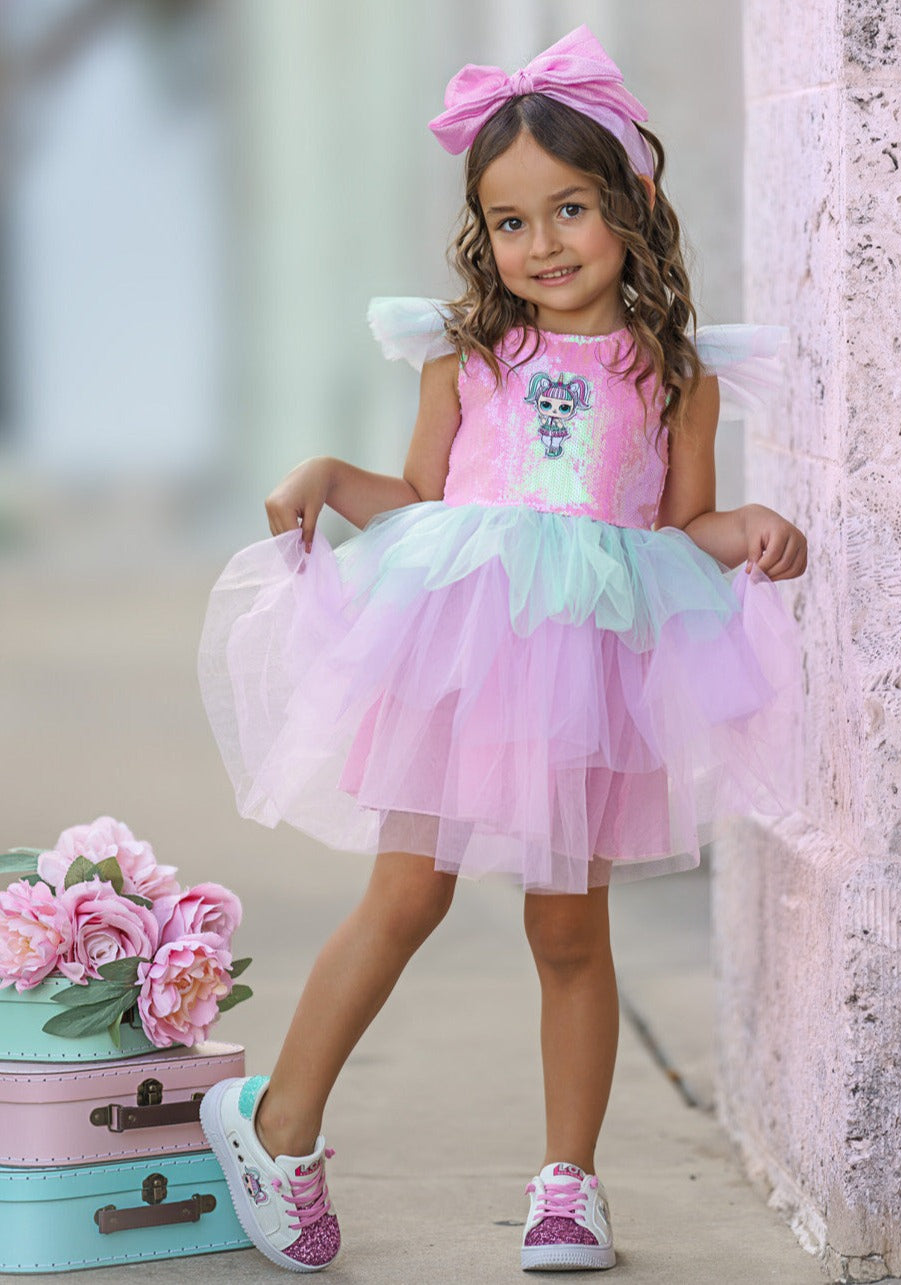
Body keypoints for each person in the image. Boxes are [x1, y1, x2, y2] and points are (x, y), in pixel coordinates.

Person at [197, 25, 807, 1275]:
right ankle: (277, 1125)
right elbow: (421, 496)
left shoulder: (673, 374)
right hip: (463, 651)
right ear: (484, 233)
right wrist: (329, 476)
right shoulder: (469, 355)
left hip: (588, 673)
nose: (544, 245)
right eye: (511, 222)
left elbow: (681, 522)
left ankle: (568, 1185)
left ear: (634, 202)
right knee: (406, 894)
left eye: (570, 208)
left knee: (570, 933)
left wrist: (743, 527)